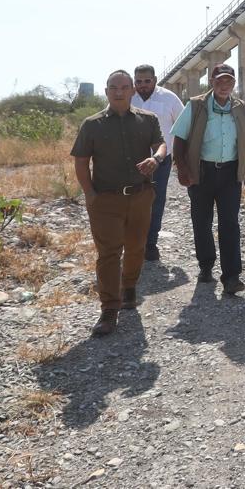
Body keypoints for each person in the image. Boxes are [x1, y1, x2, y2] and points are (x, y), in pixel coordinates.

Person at [70, 70, 166, 337]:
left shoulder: (147, 120)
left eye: (124, 87)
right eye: (114, 87)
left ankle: (130, 288)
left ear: (132, 90)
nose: (119, 91)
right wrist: (89, 193)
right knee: (109, 254)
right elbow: (81, 160)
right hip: (106, 200)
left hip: (140, 196)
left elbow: (160, 144)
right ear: (106, 91)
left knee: (136, 248)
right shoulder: (92, 124)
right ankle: (109, 310)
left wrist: (156, 159)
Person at [170, 63, 245, 293]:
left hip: (230, 173)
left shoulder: (240, 107)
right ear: (211, 82)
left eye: (229, 81)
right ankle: (206, 266)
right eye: (220, 81)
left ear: (234, 83)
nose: (224, 85)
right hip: (202, 172)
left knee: (230, 223)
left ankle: (231, 277)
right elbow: (179, 138)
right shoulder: (196, 105)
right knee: (202, 221)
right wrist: (183, 168)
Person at [131, 64, 184, 261]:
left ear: (154, 80)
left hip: (161, 159)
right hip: (132, 160)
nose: (142, 85)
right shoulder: (128, 96)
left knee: (156, 199)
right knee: (132, 199)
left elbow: (183, 125)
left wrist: (181, 156)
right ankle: (133, 242)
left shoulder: (169, 98)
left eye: (147, 81)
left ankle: (150, 244)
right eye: (138, 81)